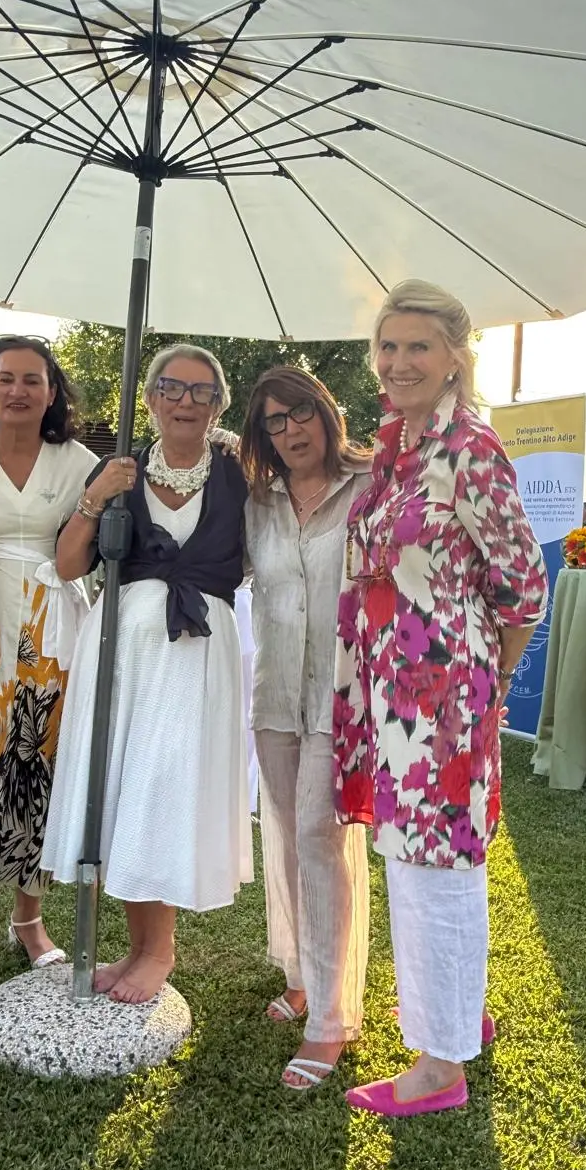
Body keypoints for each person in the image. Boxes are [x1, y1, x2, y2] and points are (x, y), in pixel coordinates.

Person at [334, 281, 547, 1116]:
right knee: (421, 853)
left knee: (434, 862)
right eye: (387, 347)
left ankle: (440, 1067)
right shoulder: (399, 447)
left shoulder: (470, 448)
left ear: (456, 356)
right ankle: (459, 1013)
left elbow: (524, 588)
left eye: (417, 346)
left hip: (443, 694)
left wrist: (487, 685)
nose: (398, 362)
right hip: (393, 691)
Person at [42, 344, 253, 1003]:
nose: (185, 401)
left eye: (201, 391)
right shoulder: (118, 469)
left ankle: (160, 950)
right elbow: (68, 565)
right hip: (123, 654)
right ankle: (138, 948)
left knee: (165, 788)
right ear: (151, 398)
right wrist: (95, 497)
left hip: (195, 654)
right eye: (172, 387)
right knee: (125, 789)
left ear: (218, 406)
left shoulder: (240, 473)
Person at [0, 337, 98, 978]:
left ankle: (28, 919)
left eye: (33, 380)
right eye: (6, 378)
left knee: (40, 772)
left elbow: (90, 549)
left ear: (52, 392)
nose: (19, 391)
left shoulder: (80, 462)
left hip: (54, 634)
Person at [241, 367, 373, 1091]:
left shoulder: (369, 485)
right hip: (275, 694)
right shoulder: (257, 503)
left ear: (325, 413)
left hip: (343, 695)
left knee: (322, 839)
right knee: (289, 836)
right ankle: (300, 972)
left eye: (300, 414)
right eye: (274, 421)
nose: (290, 430)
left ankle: (330, 1014)